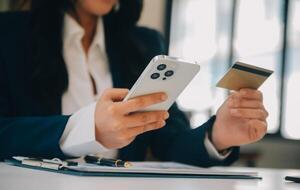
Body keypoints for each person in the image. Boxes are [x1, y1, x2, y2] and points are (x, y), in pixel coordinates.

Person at [0, 0, 268, 167]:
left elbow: (169, 139)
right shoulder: (8, 33)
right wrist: (86, 128)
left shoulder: (143, 43)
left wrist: (218, 136)